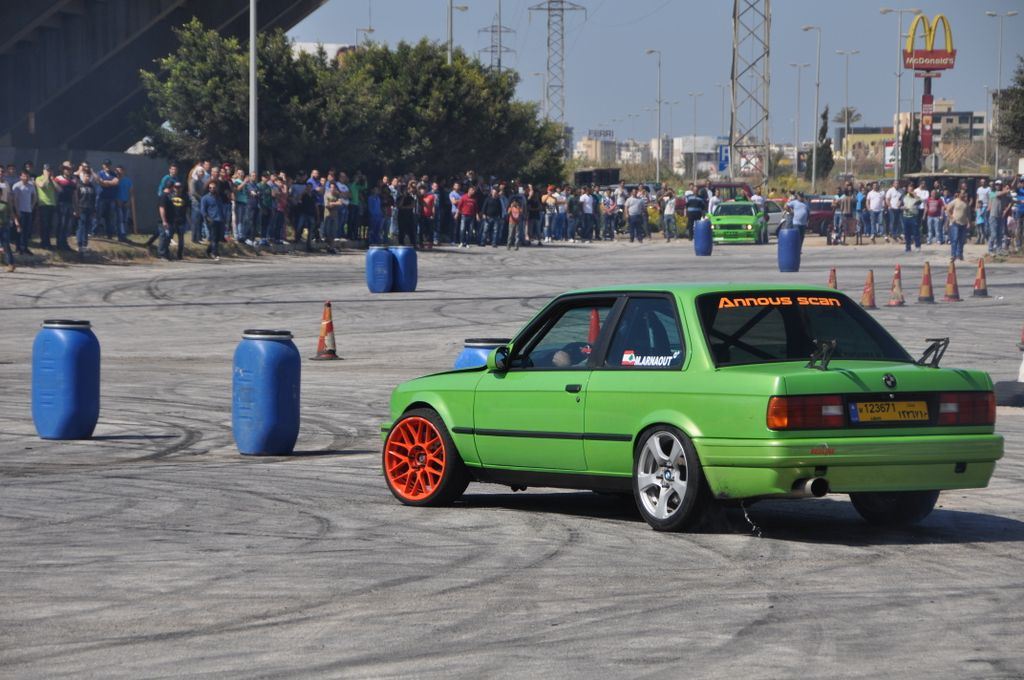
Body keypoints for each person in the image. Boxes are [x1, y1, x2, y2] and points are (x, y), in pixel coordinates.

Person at [158, 181, 188, 260]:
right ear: (171, 187)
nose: (175, 189)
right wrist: (164, 221)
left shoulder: (169, 196)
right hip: (165, 221)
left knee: (168, 238)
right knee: (163, 237)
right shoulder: (164, 196)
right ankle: (162, 254)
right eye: (174, 187)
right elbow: (162, 209)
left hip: (172, 221)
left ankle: (167, 254)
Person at [73, 168, 98, 255]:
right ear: (82, 176)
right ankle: (79, 244)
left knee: (87, 227)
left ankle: (85, 245)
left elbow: (94, 199)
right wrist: (76, 209)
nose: (87, 177)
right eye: (85, 175)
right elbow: (76, 199)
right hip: (81, 208)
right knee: (81, 226)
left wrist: (94, 210)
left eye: (88, 176)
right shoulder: (78, 185)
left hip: (89, 209)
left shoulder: (92, 186)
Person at [12, 170, 37, 255]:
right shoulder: (17, 186)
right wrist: (17, 210)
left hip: (28, 211)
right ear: (20, 177)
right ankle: (18, 247)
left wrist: (32, 206)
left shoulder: (31, 186)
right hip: (20, 210)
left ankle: (25, 247)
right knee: (19, 230)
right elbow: (14, 199)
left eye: (27, 176)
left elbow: (35, 197)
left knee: (27, 230)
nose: (26, 178)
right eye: (24, 176)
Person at [53, 163, 76, 251]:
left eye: (69, 169)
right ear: (63, 170)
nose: (68, 170)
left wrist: (75, 206)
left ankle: (64, 242)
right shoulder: (58, 178)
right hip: (61, 203)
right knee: (61, 223)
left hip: (69, 203)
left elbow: (74, 195)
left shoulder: (73, 180)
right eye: (66, 169)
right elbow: (56, 189)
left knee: (67, 224)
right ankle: (59, 243)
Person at [200, 180, 224, 260]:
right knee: (213, 237)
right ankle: (214, 253)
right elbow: (203, 210)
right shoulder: (205, 198)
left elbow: (221, 208)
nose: (212, 189)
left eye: (214, 187)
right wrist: (207, 218)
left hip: (219, 219)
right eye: (210, 188)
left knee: (217, 238)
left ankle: (208, 251)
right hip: (211, 220)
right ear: (208, 189)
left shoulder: (218, 197)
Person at [945, 189, 969, 262]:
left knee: (962, 240)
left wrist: (968, 222)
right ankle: (953, 255)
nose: (963, 195)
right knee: (955, 239)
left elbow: (967, 213)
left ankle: (960, 254)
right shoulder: (955, 201)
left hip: (963, 223)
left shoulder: (965, 203)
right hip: (955, 223)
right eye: (962, 193)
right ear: (959, 194)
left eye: (964, 193)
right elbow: (947, 210)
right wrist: (952, 218)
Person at [989, 179, 1011, 255]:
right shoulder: (993, 193)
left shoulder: (1005, 195)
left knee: (999, 234)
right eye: (996, 184)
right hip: (993, 216)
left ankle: (999, 250)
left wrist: (1006, 210)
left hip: (1000, 217)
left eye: (999, 184)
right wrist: (1006, 190)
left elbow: (1011, 201)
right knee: (993, 234)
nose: (997, 186)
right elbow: (998, 195)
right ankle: (990, 249)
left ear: (1001, 186)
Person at [0, 169, 16, 272]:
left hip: (3, 224)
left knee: (6, 244)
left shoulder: (6, 183)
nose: (1, 173)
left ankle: (10, 263)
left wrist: (15, 220)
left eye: (2, 171)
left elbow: (9, 199)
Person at [395, 182, 418, 247]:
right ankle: (401, 244)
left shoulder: (411, 197)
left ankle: (413, 244)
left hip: (409, 216)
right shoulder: (399, 197)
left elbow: (412, 205)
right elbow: (399, 205)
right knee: (401, 230)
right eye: (404, 190)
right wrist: (403, 197)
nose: (406, 191)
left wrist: (404, 207)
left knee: (411, 230)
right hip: (401, 216)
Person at [901, 185, 922, 252]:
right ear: (907, 190)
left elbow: (920, 201)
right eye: (910, 189)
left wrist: (914, 195)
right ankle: (908, 247)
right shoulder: (904, 197)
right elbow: (901, 205)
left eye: (912, 189)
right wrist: (902, 207)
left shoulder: (916, 197)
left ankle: (917, 246)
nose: (911, 191)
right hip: (906, 217)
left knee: (916, 232)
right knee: (907, 233)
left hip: (913, 217)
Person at [418, 184, 436, 249]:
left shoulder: (431, 196)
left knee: (430, 230)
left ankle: (430, 243)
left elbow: (433, 206)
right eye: (421, 190)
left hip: (429, 215)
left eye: (423, 190)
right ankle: (421, 243)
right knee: (421, 230)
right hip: (421, 215)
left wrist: (433, 214)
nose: (422, 191)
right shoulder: (419, 197)